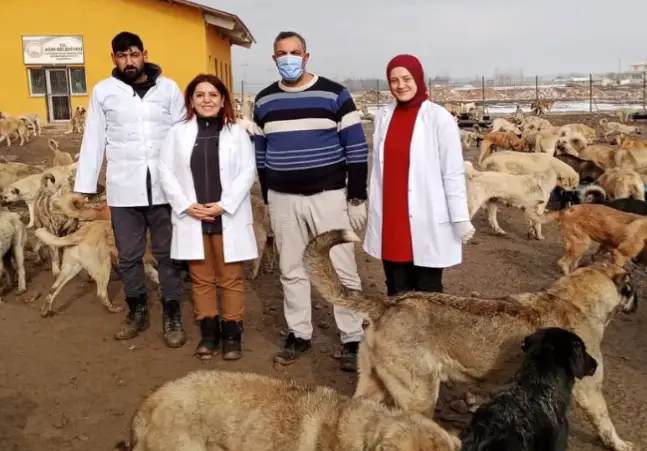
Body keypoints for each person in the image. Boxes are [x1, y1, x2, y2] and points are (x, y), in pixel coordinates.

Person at [252, 31, 368, 372]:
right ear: (274, 59)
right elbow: (261, 155)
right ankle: (299, 333)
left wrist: (357, 195)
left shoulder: (335, 94)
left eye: (295, 52)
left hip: (329, 198)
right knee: (291, 269)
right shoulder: (264, 101)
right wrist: (269, 198)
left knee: (341, 268)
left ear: (307, 56)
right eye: (282, 54)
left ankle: (352, 337)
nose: (289, 58)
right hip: (284, 199)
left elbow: (356, 148)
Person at [74, 31, 188, 345]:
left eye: (134, 54)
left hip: (164, 188)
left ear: (144, 55)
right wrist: (84, 186)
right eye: (122, 56)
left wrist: (188, 184)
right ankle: (136, 311)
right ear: (114, 58)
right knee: (129, 256)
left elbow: (182, 137)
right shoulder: (103, 92)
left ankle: (171, 313)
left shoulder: (169, 89)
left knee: (167, 254)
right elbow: (94, 140)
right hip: (124, 187)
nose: (129, 61)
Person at [158, 74, 257, 360]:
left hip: (227, 215)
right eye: (200, 95)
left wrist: (224, 205)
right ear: (191, 100)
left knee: (230, 278)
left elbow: (247, 172)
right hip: (193, 215)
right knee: (201, 278)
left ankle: (232, 333)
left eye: (213, 95)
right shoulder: (177, 134)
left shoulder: (237, 133)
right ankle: (209, 333)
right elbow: (165, 171)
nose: (207, 100)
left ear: (223, 99)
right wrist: (185, 204)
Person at [363, 54, 475, 295]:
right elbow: (379, 169)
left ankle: (430, 334)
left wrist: (460, 217)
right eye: (394, 80)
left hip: (427, 215)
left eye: (406, 78)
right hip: (392, 217)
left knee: (427, 291)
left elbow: (453, 172)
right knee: (396, 289)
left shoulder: (439, 118)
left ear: (419, 78)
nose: (400, 85)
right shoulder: (383, 117)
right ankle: (398, 334)